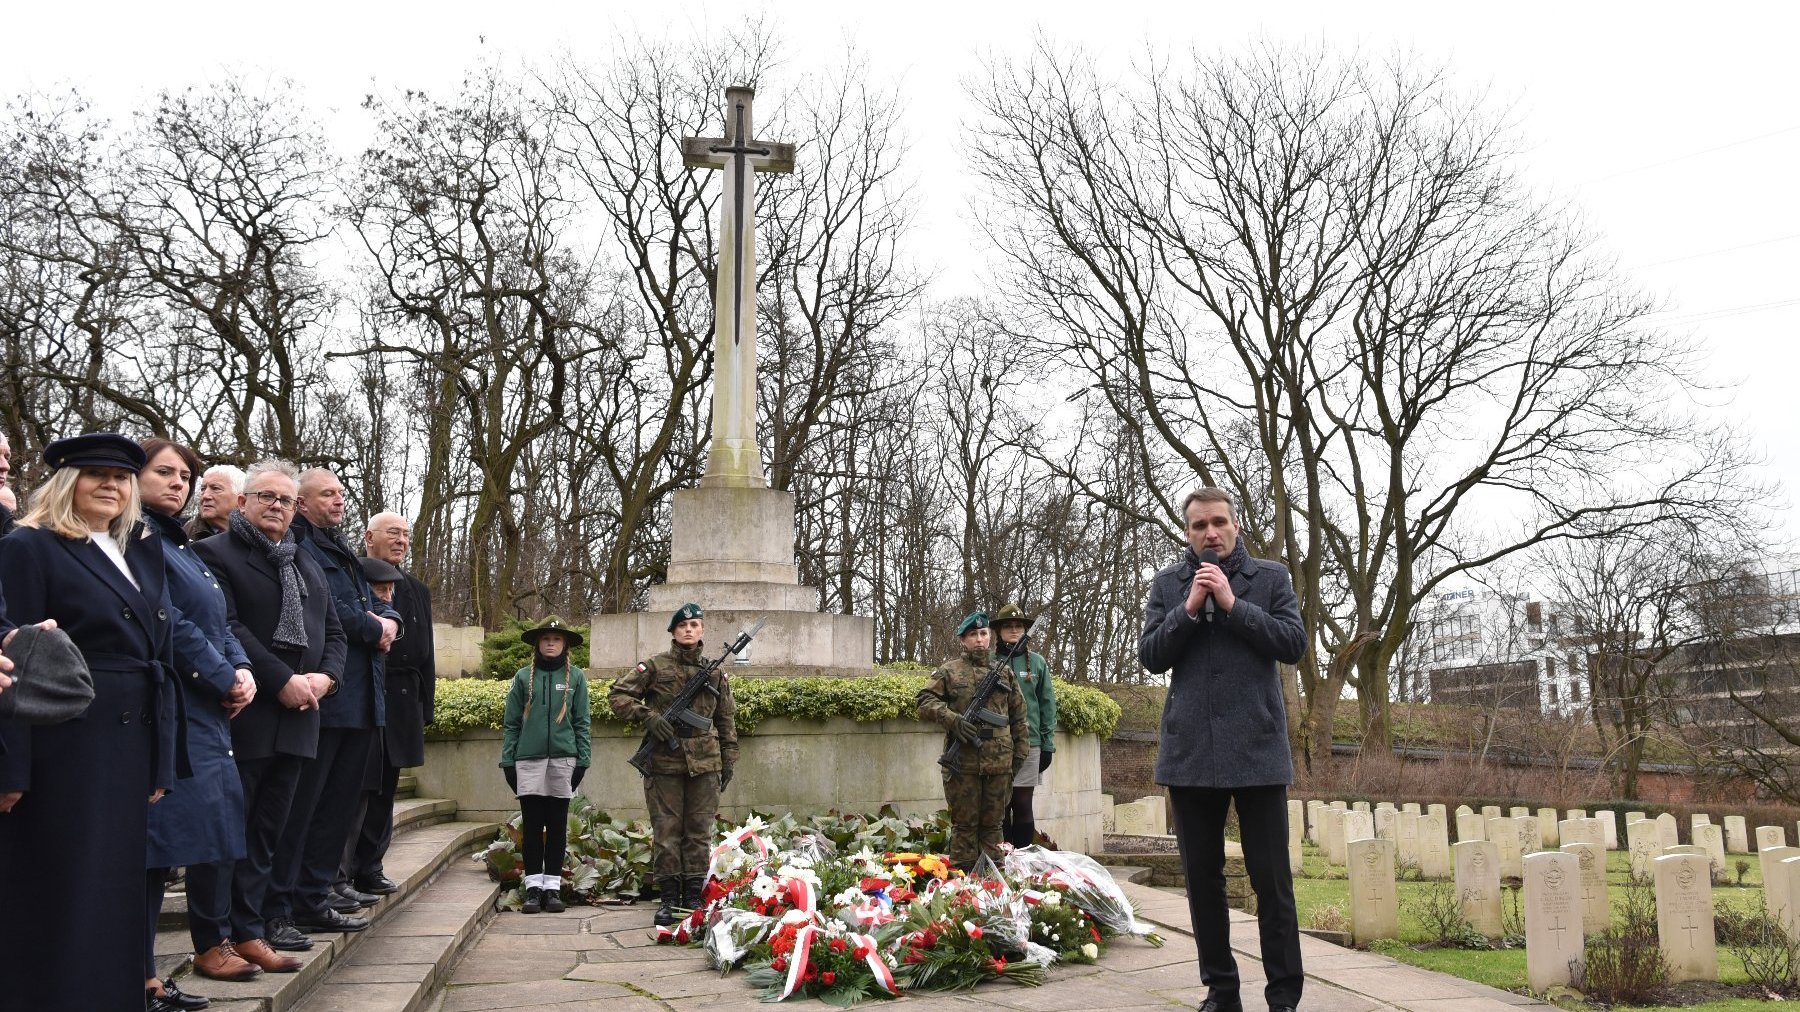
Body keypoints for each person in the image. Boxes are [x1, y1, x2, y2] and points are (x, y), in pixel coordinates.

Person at [0, 432, 182, 1011]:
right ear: (64, 482)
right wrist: (12, 766)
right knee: (63, 895)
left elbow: (157, 657)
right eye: (95, 473)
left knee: (114, 895)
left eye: (121, 476)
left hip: (127, 748)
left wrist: (160, 760)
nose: (111, 484)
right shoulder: (31, 547)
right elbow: (16, 664)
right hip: (65, 748)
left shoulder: (133, 551)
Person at [1140, 487, 1308, 1012]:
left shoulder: (1271, 578)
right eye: (1198, 526)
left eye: (1219, 522)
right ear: (1187, 532)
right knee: (1202, 881)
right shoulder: (1169, 584)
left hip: (1257, 751)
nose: (1210, 533)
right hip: (1191, 754)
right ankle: (1221, 990)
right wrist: (1189, 608)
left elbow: (1293, 644)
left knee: (1271, 880)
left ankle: (1283, 996)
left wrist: (1233, 606)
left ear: (1235, 525)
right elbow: (1150, 656)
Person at [194, 460, 346, 970]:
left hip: (302, 716)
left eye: (285, 500)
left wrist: (327, 678)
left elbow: (336, 633)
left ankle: (249, 929)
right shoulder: (213, 555)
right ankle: (213, 938)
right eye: (266, 497)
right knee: (227, 830)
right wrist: (281, 680)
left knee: (267, 833)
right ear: (243, 502)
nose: (277, 507)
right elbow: (229, 627)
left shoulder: (303, 561)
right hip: (247, 713)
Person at [138, 439, 262, 1007]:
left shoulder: (180, 544)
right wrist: (223, 675)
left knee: (215, 830)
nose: (179, 484)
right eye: (164, 472)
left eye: (184, 475)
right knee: (156, 848)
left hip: (210, 708)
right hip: (175, 705)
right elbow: (173, 622)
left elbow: (216, 618)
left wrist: (241, 668)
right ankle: (143, 974)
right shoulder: (137, 541)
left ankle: (212, 943)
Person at [268, 467, 400, 932]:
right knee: (306, 807)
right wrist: (374, 627)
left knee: (337, 808)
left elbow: (371, 599)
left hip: (362, 700)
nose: (338, 501)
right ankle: (289, 900)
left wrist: (389, 621)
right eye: (327, 494)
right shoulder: (298, 546)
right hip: (328, 701)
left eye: (341, 493)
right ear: (301, 503)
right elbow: (330, 612)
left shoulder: (339, 546)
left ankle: (314, 895)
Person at [608, 603, 737, 927]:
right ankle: (668, 898)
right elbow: (618, 696)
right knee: (666, 832)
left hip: (705, 763)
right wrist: (648, 717)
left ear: (702, 631)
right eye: (683, 626)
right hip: (664, 761)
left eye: (695, 624)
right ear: (674, 632)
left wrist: (729, 757)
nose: (689, 630)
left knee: (698, 833)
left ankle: (693, 898)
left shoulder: (716, 672)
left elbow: (725, 719)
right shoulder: (654, 666)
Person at [341, 513, 435, 898]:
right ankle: (341, 871)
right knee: (358, 788)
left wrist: (424, 706)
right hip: (364, 694)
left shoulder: (416, 589)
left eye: (406, 535)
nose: (401, 540)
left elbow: (426, 653)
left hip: (402, 701)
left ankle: (372, 866)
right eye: (393, 533)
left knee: (387, 789)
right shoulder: (351, 578)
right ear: (369, 537)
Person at [915, 611, 1029, 872]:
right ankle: (962, 888)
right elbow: (924, 701)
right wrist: (952, 720)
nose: (979, 639)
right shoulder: (949, 671)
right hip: (962, 761)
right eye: (973, 635)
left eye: (983, 634)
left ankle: (993, 883)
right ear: (963, 640)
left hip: (1000, 762)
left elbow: (1019, 720)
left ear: (990, 637)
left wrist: (1018, 758)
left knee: (993, 826)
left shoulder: (1005, 673)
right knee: (964, 826)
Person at [498, 617, 591, 915]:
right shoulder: (524, 677)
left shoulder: (576, 678)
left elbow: (582, 722)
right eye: (546, 639)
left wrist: (583, 760)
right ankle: (533, 888)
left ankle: (552, 888)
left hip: (563, 760)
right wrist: (508, 761)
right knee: (533, 825)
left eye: (557, 639)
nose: (551, 643)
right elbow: (511, 724)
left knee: (558, 825)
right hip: (529, 761)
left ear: (565, 645)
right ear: (538, 644)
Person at [991, 603, 1056, 848]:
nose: (1014, 630)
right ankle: (1003, 857)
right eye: (1008, 626)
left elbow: (1047, 704)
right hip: (997, 744)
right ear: (999, 631)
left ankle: (1024, 858)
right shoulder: (991, 662)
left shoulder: (1037, 663)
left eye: (1018, 626)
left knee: (1022, 803)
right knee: (1001, 804)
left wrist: (1048, 744)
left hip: (1030, 744)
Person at [187, 463, 246, 540]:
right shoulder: (182, 535)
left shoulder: (259, 533)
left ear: (240, 500)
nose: (205, 496)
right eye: (203, 489)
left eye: (215, 488)